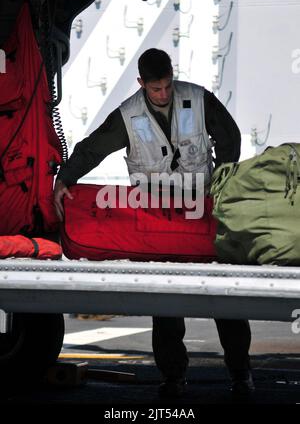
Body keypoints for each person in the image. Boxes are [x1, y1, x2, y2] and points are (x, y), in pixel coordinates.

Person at [54, 48, 254, 399]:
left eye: (166, 86)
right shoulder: (128, 115)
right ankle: (173, 377)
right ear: (141, 83)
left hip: (200, 212)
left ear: (172, 77)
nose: (162, 94)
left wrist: (222, 179)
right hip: (157, 221)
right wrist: (65, 179)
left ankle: (241, 374)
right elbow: (93, 149)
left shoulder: (197, 98)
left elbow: (230, 137)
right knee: (166, 304)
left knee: (224, 298)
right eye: (155, 88)